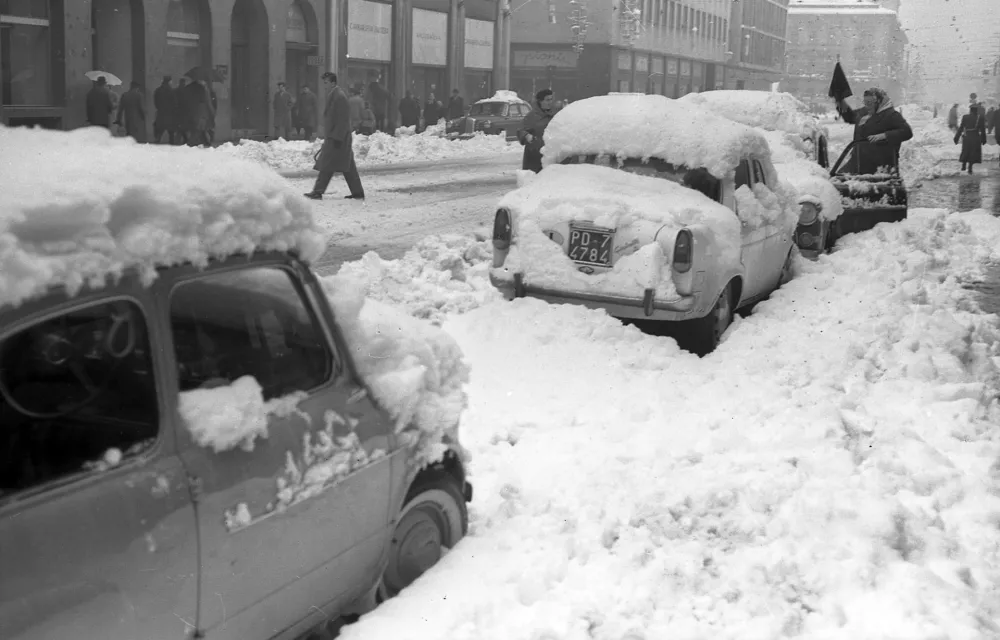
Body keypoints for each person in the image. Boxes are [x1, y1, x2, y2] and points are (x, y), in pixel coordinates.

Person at [304, 72, 365, 201]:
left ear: (333, 83)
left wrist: (337, 137)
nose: (324, 85)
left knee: (327, 164)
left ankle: (318, 191)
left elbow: (342, 119)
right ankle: (357, 191)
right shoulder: (335, 95)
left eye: (326, 83)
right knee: (348, 166)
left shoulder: (339, 96)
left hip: (338, 137)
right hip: (338, 137)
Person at [834, 87, 912, 174]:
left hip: (880, 166)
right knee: (835, 180)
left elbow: (907, 132)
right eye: (865, 102)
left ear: (879, 102)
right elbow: (850, 117)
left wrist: (884, 135)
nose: (867, 106)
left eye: (869, 103)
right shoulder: (865, 111)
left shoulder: (892, 115)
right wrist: (840, 101)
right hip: (857, 162)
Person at [517, 89, 556, 173]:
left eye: (551, 99)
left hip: (552, 157)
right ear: (540, 101)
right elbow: (521, 130)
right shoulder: (532, 116)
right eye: (547, 100)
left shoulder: (556, 114)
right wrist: (527, 136)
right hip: (535, 158)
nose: (550, 102)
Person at [954, 103, 986, 175]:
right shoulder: (980, 118)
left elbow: (961, 128)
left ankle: (963, 165)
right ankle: (970, 168)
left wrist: (956, 137)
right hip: (975, 137)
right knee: (973, 152)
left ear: (970, 110)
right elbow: (983, 129)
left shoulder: (965, 117)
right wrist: (984, 139)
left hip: (967, 137)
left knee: (966, 150)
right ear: (976, 110)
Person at [184, 78, 214, 147]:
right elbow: (208, 102)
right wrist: (212, 112)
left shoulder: (189, 88)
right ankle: (190, 144)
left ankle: (205, 142)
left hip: (193, 112)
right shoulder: (203, 89)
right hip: (201, 113)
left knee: (198, 129)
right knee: (198, 129)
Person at [153, 76, 177, 144]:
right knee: (171, 134)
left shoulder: (158, 90)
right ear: (169, 81)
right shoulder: (171, 91)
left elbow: (156, 103)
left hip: (160, 114)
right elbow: (175, 104)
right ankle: (172, 150)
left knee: (159, 134)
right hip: (170, 115)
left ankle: (155, 147)